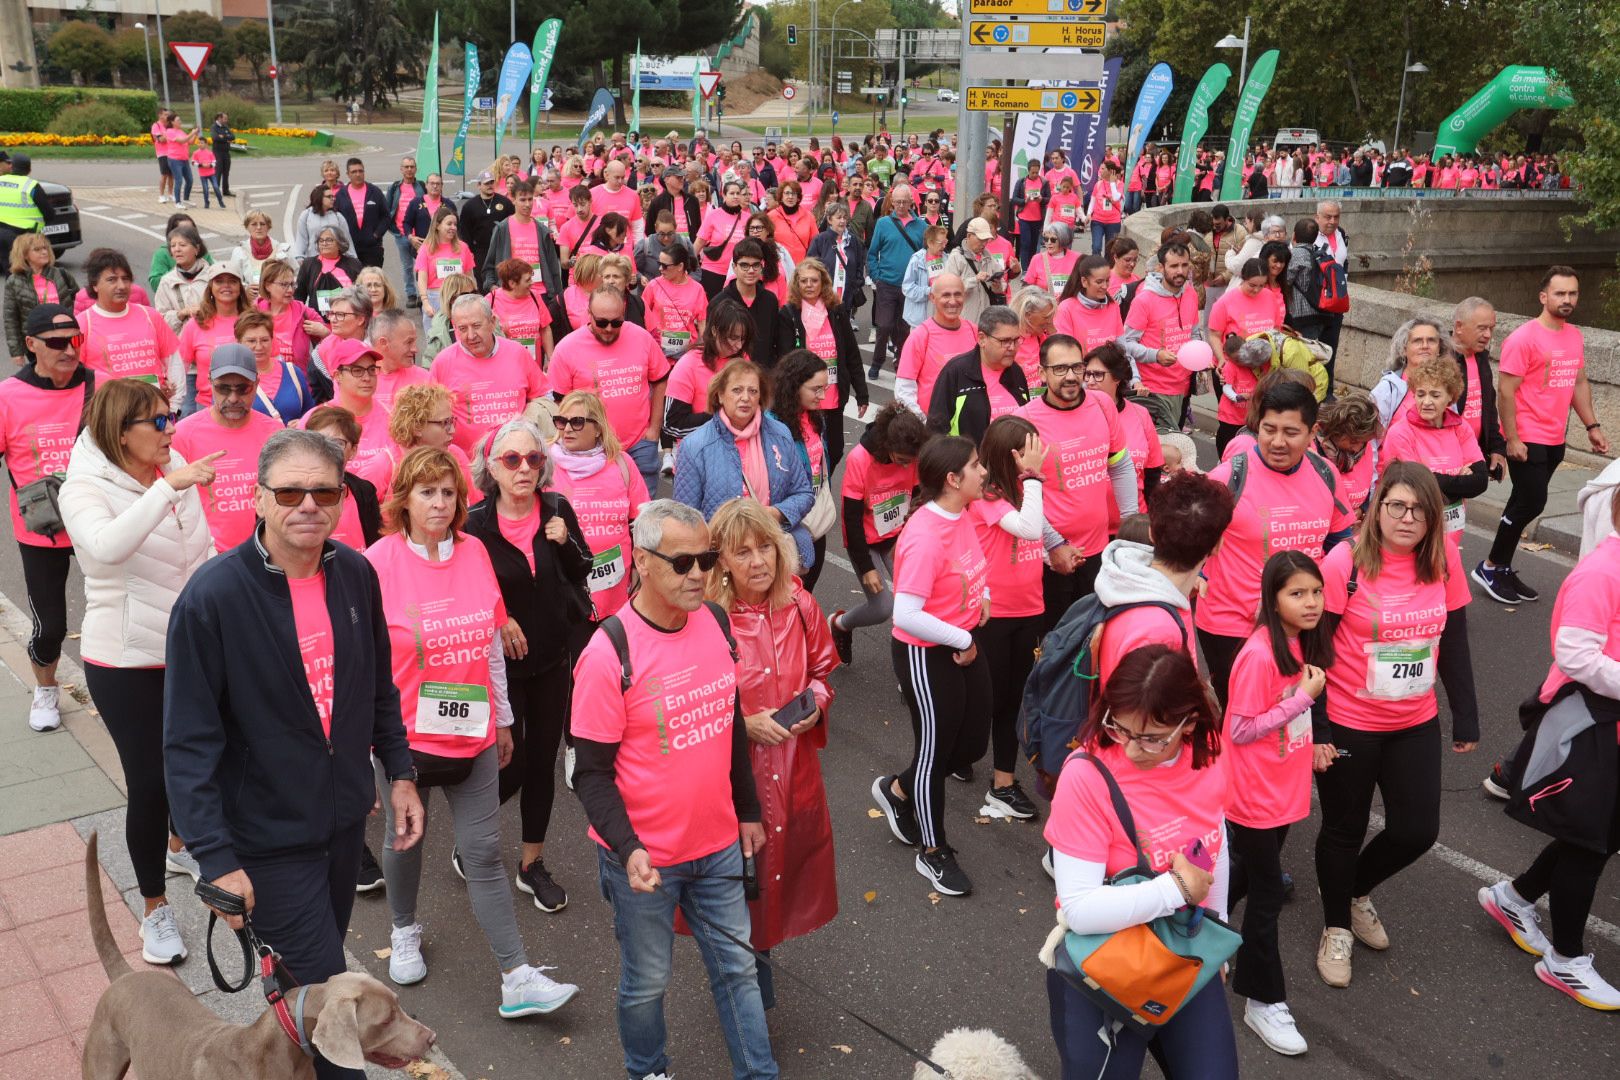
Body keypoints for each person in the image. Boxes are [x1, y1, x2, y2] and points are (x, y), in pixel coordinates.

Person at [164, 429, 425, 1080]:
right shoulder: (212, 598)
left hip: (342, 823)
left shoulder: (356, 574)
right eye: (289, 491)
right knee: (335, 1005)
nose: (307, 504)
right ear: (257, 498)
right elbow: (188, 742)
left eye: (324, 491)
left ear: (342, 499)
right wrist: (216, 862)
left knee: (309, 987)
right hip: (267, 843)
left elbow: (376, 687)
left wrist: (399, 772)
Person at [362, 443, 580, 1014]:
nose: (438, 503)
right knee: (406, 839)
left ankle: (517, 976)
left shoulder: (475, 551)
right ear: (403, 500)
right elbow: (363, 661)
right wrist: (370, 747)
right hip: (404, 738)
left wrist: (505, 719)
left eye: (448, 492)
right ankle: (404, 929)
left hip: (475, 731)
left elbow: (488, 644)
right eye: (426, 492)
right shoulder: (378, 561)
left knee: (483, 853)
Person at [570, 499, 778, 1080]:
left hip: (717, 847)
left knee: (738, 970)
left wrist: (747, 809)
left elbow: (729, 720)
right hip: (645, 860)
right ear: (640, 560)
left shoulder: (714, 621)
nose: (698, 575)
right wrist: (628, 847)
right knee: (648, 982)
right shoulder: (609, 651)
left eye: (707, 560)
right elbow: (589, 773)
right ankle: (648, 1070)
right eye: (681, 562)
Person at [59, 374, 216, 964]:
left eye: (171, 417)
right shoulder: (84, 486)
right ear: (122, 433)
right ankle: (155, 910)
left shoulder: (172, 472)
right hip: (124, 659)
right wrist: (167, 489)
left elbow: (198, 553)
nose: (171, 429)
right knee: (150, 782)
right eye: (159, 421)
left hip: (188, 650)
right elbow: (103, 548)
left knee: (198, 764)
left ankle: (180, 844)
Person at [1042, 645, 1235, 1079]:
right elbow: (1079, 909)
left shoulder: (1210, 752)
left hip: (1184, 950)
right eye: (1119, 727)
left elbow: (1214, 842)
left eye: (1151, 737)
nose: (1130, 748)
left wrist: (1217, 935)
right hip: (1106, 967)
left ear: (1189, 723)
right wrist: (1175, 891)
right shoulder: (1086, 775)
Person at [1310, 461, 1453, 991]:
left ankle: (1354, 889)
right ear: (1375, 508)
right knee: (1344, 829)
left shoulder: (1441, 559)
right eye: (1397, 505)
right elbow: (1314, 649)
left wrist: (1468, 711)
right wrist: (1318, 727)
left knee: (1417, 830)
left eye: (1419, 509)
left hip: (1415, 717)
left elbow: (1453, 633)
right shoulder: (1344, 562)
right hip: (1349, 718)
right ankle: (1336, 927)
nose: (1408, 517)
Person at [1479, 491, 1620, 1009]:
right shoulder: (1601, 573)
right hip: (1588, 720)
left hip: (1612, 720)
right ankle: (1565, 960)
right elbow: (1576, 656)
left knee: (1600, 836)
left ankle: (1513, 898)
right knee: (1589, 840)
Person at [704, 497, 840, 1009]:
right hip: (731, 786)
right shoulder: (707, 620)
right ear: (722, 561)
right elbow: (681, 708)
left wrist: (815, 705)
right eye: (743, 552)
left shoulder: (801, 606)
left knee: (769, 890)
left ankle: (750, 995)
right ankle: (749, 1007)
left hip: (793, 772)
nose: (759, 561)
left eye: (766, 546)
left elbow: (824, 670)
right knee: (735, 893)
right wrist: (742, 725)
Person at [465, 419, 592, 912]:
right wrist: (502, 620)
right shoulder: (474, 525)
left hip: (554, 658)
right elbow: (467, 591)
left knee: (541, 761)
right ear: (492, 467)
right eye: (512, 459)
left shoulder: (557, 509)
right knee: (510, 762)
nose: (524, 469)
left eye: (533, 459)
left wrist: (565, 542)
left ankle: (530, 864)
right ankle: (472, 836)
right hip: (502, 667)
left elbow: (583, 571)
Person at [870, 436, 992, 897]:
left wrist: (983, 598)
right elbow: (906, 613)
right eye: (977, 466)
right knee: (936, 752)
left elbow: (973, 568)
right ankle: (933, 850)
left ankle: (898, 789)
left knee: (970, 746)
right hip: (926, 653)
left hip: (963, 643)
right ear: (952, 479)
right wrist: (960, 638)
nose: (984, 472)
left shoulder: (963, 513)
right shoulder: (923, 536)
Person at [1224, 551, 1332, 1056]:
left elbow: (1284, 721)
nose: (1311, 602)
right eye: (1297, 593)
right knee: (1266, 895)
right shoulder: (1260, 653)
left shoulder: (1296, 643)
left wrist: (1312, 745)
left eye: (1316, 591)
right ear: (1273, 598)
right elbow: (1241, 728)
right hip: (1253, 796)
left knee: (1243, 874)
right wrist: (1302, 700)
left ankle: (1190, 928)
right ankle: (1262, 999)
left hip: (1282, 790)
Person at [1475, 266, 1607, 604]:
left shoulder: (1574, 336)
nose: (1567, 300)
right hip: (1526, 436)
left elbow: (1577, 382)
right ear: (1543, 296)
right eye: (1560, 293)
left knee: (1522, 501)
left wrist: (1592, 426)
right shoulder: (1523, 338)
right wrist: (1512, 439)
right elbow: (1505, 392)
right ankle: (1490, 566)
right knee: (1533, 501)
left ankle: (1500, 567)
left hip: (1554, 438)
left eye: (1572, 293)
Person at [1380, 352, 1487, 755]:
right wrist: (1448, 481)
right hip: (1412, 541)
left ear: (1451, 397)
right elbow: (1410, 485)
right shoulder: (1401, 433)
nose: (1426, 401)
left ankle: (1438, 703)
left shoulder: (1460, 429)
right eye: (1420, 393)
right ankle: (1397, 695)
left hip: (1449, 543)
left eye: (1435, 394)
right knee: (1411, 623)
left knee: (1448, 633)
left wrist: (1442, 483)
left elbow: (1479, 482)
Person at [0, 305, 94, 732]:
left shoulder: (101, 386)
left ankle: (122, 689)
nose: (69, 350)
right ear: (32, 345)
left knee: (117, 613)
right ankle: (46, 688)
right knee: (51, 623)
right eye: (57, 342)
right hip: (43, 531)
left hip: (99, 521)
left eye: (75, 340)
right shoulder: (8, 396)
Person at [1016, 334, 1140, 635]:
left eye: (1077, 367)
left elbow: (1120, 464)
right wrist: (1054, 545)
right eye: (1060, 369)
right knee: (1055, 644)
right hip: (1049, 559)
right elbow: (1015, 494)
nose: (1071, 376)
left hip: (1099, 551)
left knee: (1096, 638)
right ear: (1042, 372)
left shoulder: (1102, 404)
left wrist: (1130, 525)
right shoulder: (1023, 421)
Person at [967, 416, 1049, 821]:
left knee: (1011, 702)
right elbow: (1029, 528)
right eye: (1029, 450)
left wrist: (1060, 550)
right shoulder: (987, 496)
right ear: (1010, 456)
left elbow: (1042, 531)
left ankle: (1002, 783)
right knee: (985, 700)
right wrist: (1034, 477)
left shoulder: (1022, 490)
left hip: (1029, 610)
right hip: (992, 615)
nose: (1038, 455)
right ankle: (958, 754)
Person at [673, 360, 816, 571]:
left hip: (771, 551)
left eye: (753, 391)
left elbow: (803, 493)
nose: (745, 398)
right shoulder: (695, 446)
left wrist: (775, 513)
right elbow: (685, 517)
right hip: (723, 561)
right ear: (720, 395)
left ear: (761, 397)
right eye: (737, 390)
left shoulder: (780, 434)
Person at [828, 401, 930, 665]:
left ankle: (911, 660)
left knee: (920, 597)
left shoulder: (913, 455)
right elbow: (850, 518)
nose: (908, 468)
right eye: (903, 461)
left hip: (897, 537)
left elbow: (918, 495)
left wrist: (910, 532)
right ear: (887, 445)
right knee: (883, 607)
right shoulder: (859, 459)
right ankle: (840, 624)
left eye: (912, 462)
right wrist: (866, 568)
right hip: (866, 540)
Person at [547, 286, 670, 496]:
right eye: (601, 322)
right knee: (604, 509)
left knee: (645, 515)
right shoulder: (567, 348)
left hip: (639, 442)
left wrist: (654, 429)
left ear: (623, 313)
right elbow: (559, 402)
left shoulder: (641, 337)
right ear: (589, 315)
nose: (609, 328)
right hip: (593, 448)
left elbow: (660, 380)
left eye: (616, 322)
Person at [170, 344, 284, 551]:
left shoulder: (275, 433)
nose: (233, 398)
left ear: (257, 384)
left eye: (243, 388)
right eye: (223, 388)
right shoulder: (183, 434)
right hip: (207, 555)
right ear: (210, 382)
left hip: (266, 552)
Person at [776, 257, 868, 469]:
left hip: (833, 394)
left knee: (834, 450)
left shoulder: (836, 312)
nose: (809, 285)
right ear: (797, 284)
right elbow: (786, 360)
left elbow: (852, 353)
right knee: (807, 452)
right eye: (804, 281)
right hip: (804, 398)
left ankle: (822, 489)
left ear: (823, 283)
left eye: (814, 281)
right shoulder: (789, 314)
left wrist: (862, 393)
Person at [428, 295, 548, 455]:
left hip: (517, 460)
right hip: (467, 465)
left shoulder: (517, 353)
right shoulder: (442, 363)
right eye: (462, 329)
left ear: (492, 322)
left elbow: (543, 397)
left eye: (476, 326)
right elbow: (429, 416)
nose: (471, 336)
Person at [77, 249, 183, 405]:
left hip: (154, 411)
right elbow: (75, 375)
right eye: (112, 280)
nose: (121, 286)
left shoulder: (150, 315)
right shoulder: (83, 324)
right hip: (110, 415)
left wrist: (175, 407)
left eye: (125, 279)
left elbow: (174, 361)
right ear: (95, 285)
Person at [1119, 241, 1198, 433]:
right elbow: (1125, 344)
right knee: (1161, 453)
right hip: (1153, 390)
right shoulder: (1144, 300)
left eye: (1184, 265)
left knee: (1176, 448)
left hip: (1183, 387)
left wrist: (1201, 354)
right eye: (1174, 266)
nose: (1180, 271)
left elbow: (1193, 333)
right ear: (1161, 267)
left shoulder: (1191, 293)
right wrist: (1156, 355)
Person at [1084, 342, 1163, 531]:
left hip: (1131, 527)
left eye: (1098, 374)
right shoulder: (1075, 417)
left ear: (1117, 378)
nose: (1091, 381)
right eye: (1087, 374)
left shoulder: (1140, 414)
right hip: (1089, 531)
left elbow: (1153, 475)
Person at [926, 305, 1030, 444]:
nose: (1012, 347)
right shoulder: (956, 371)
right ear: (982, 339)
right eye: (1005, 341)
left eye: (1016, 340)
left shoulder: (1016, 371)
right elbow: (936, 430)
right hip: (968, 463)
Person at [664, 300, 753, 446]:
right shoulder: (688, 365)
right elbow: (672, 425)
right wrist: (719, 418)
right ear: (714, 331)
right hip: (700, 453)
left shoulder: (742, 359)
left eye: (743, 339)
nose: (739, 345)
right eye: (732, 338)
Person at [303, 404, 383, 550]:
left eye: (337, 443)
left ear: (353, 451)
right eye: (319, 440)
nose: (327, 449)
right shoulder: (291, 492)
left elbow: (375, 544)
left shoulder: (364, 491)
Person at [867, 184, 928, 377]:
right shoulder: (883, 223)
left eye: (905, 201)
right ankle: (877, 362)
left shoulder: (921, 226)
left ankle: (901, 364)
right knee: (884, 325)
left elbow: (927, 255)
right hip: (886, 283)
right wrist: (876, 277)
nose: (901, 205)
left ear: (911, 202)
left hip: (910, 287)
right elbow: (871, 253)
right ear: (892, 202)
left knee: (904, 330)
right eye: (897, 202)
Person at [895, 274, 976, 417]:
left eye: (958, 295)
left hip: (970, 426)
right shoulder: (920, 336)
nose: (953, 301)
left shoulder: (975, 332)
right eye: (946, 295)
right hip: (934, 428)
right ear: (932, 298)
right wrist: (925, 425)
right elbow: (904, 390)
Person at [5, 233, 78, 365]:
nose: (44, 252)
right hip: (38, 342)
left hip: (67, 338)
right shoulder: (14, 281)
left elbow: (80, 304)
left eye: (45, 248)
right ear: (25, 255)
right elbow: (11, 319)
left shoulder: (61, 274)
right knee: (45, 378)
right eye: (37, 249)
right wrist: (16, 352)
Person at [716, 238, 782, 369]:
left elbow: (775, 341)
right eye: (744, 265)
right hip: (730, 374)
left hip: (764, 374)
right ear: (734, 267)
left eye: (755, 265)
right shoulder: (719, 302)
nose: (751, 270)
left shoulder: (770, 300)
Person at [1314, 391, 1382, 517]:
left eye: (1363, 442)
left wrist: (1362, 509)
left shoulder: (1364, 445)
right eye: (1353, 441)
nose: (1357, 449)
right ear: (1337, 430)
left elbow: (1368, 481)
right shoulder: (1313, 447)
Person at [643, 237, 709, 360]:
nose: (660, 269)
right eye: (659, 264)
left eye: (665, 266)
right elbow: (642, 315)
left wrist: (703, 350)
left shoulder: (697, 289)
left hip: (686, 352)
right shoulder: (653, 285)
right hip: (658, 350)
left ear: (680, 266)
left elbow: (702, 323)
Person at [415, 206, 476, 332]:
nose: (453, 227)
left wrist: (474, 298)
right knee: (436, 340)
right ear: (437, 225)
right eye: (449, 224)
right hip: (435, 300)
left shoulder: (463, 247)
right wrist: (425, 302)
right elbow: (422, 278)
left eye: (455, 224)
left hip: (460, 299)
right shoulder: (426, 249)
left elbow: (470, 277)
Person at [488, 258, 556, 367]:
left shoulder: (535, 296)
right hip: (504, 365)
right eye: (527, 280)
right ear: (512, 283)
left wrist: (550, 357)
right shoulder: (491, 300)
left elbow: (545, 328)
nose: (532, 283)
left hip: (533, 365)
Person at [1052, 255, 1125, 352]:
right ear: (1084, 281)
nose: (1105, 286)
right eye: (1099, 282)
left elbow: (1122, 346)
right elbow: (1064, 351)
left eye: (1107, 280)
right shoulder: (1066, 308)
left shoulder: (1113, 306)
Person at [805, 201, 867, 313]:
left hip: (846, 298)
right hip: (825, 298)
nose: (842, 221)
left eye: (844, 217)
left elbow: (859, 264)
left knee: (843, 328)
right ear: (829, 220)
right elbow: (810, 266)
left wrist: (856, 284)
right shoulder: (820, 240)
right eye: (838, 217)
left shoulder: (853, 241)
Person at [153, 226, 214, 336]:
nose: (177, 249)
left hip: (210, 340)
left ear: (197, 249)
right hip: (179, 346)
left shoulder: (213, 277)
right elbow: (159, 320)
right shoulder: (167, 281)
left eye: (183, 245)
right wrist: (180, 314)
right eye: (173, 246)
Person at [696, 180, 750, 296]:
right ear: (724, 195)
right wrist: (688, 263)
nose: (735, 196)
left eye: (738, 193)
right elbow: (699, 242)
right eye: (731, 193)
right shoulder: (713, 215)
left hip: (736, 273)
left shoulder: (748, 218)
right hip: (712, 270)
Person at [333, 158, 389, 269]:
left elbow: (386, 217)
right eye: (354, 172)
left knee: (372, 282)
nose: (358, 174)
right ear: (348, 174)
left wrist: (376, 234)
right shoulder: (341, 195)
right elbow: (335, 220)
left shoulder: (375, 192)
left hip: (372, 248)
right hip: (349, 249)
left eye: (360, 171)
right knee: (353, 283)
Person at [386, 157, 427, 307]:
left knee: (423, 265)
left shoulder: (422, 186)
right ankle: (411, 294)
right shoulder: (395, 188)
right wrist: (393, 229)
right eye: (406, 167)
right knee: (407, 266)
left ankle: (424, 294)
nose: (409, 169)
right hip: (402, 234)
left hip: (421, 235)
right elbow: (387, 208)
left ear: (416, 169)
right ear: (401, 169)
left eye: (412, 166)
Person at [458, 170, 516, 274]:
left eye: (491, 182)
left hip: (501, 248)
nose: (490, 185)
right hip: (480, 251)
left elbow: (514, 224)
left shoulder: (505, 203)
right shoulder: (469, 206)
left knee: (504, 277)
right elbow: (464, 231)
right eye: (486, 183)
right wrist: (470, 251)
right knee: (482, 281)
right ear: (479, 185)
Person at [227, 212, 294, 298]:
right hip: (251, 305)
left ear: (268, 227)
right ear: (247, 227)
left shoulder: (283, 250)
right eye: (254, 224)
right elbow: (233, 279)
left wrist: (286, 287)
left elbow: (296, 275)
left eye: (262, 224)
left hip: (278, 303)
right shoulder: (239, 252)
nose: (258, 227)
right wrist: (245, 290)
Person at [292, 185, 353, 262]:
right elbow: (301, 239)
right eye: (329, 197)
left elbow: (346, 239)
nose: (333, 199)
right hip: (314, 261)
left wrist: (353, 258)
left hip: (336, 260)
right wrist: (299, 257)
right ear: (319, 197)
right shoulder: (306, 215)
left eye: (333, 196)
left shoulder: (338, 216)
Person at [1025, 223, 1079, 298]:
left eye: (1053, 239)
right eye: (1046, 239)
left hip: (1069, 307)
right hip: (1044, 306)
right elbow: (1027, 288)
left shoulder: (1078, 258)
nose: (1049, 242)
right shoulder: (1037, 259)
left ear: (1063, 239)